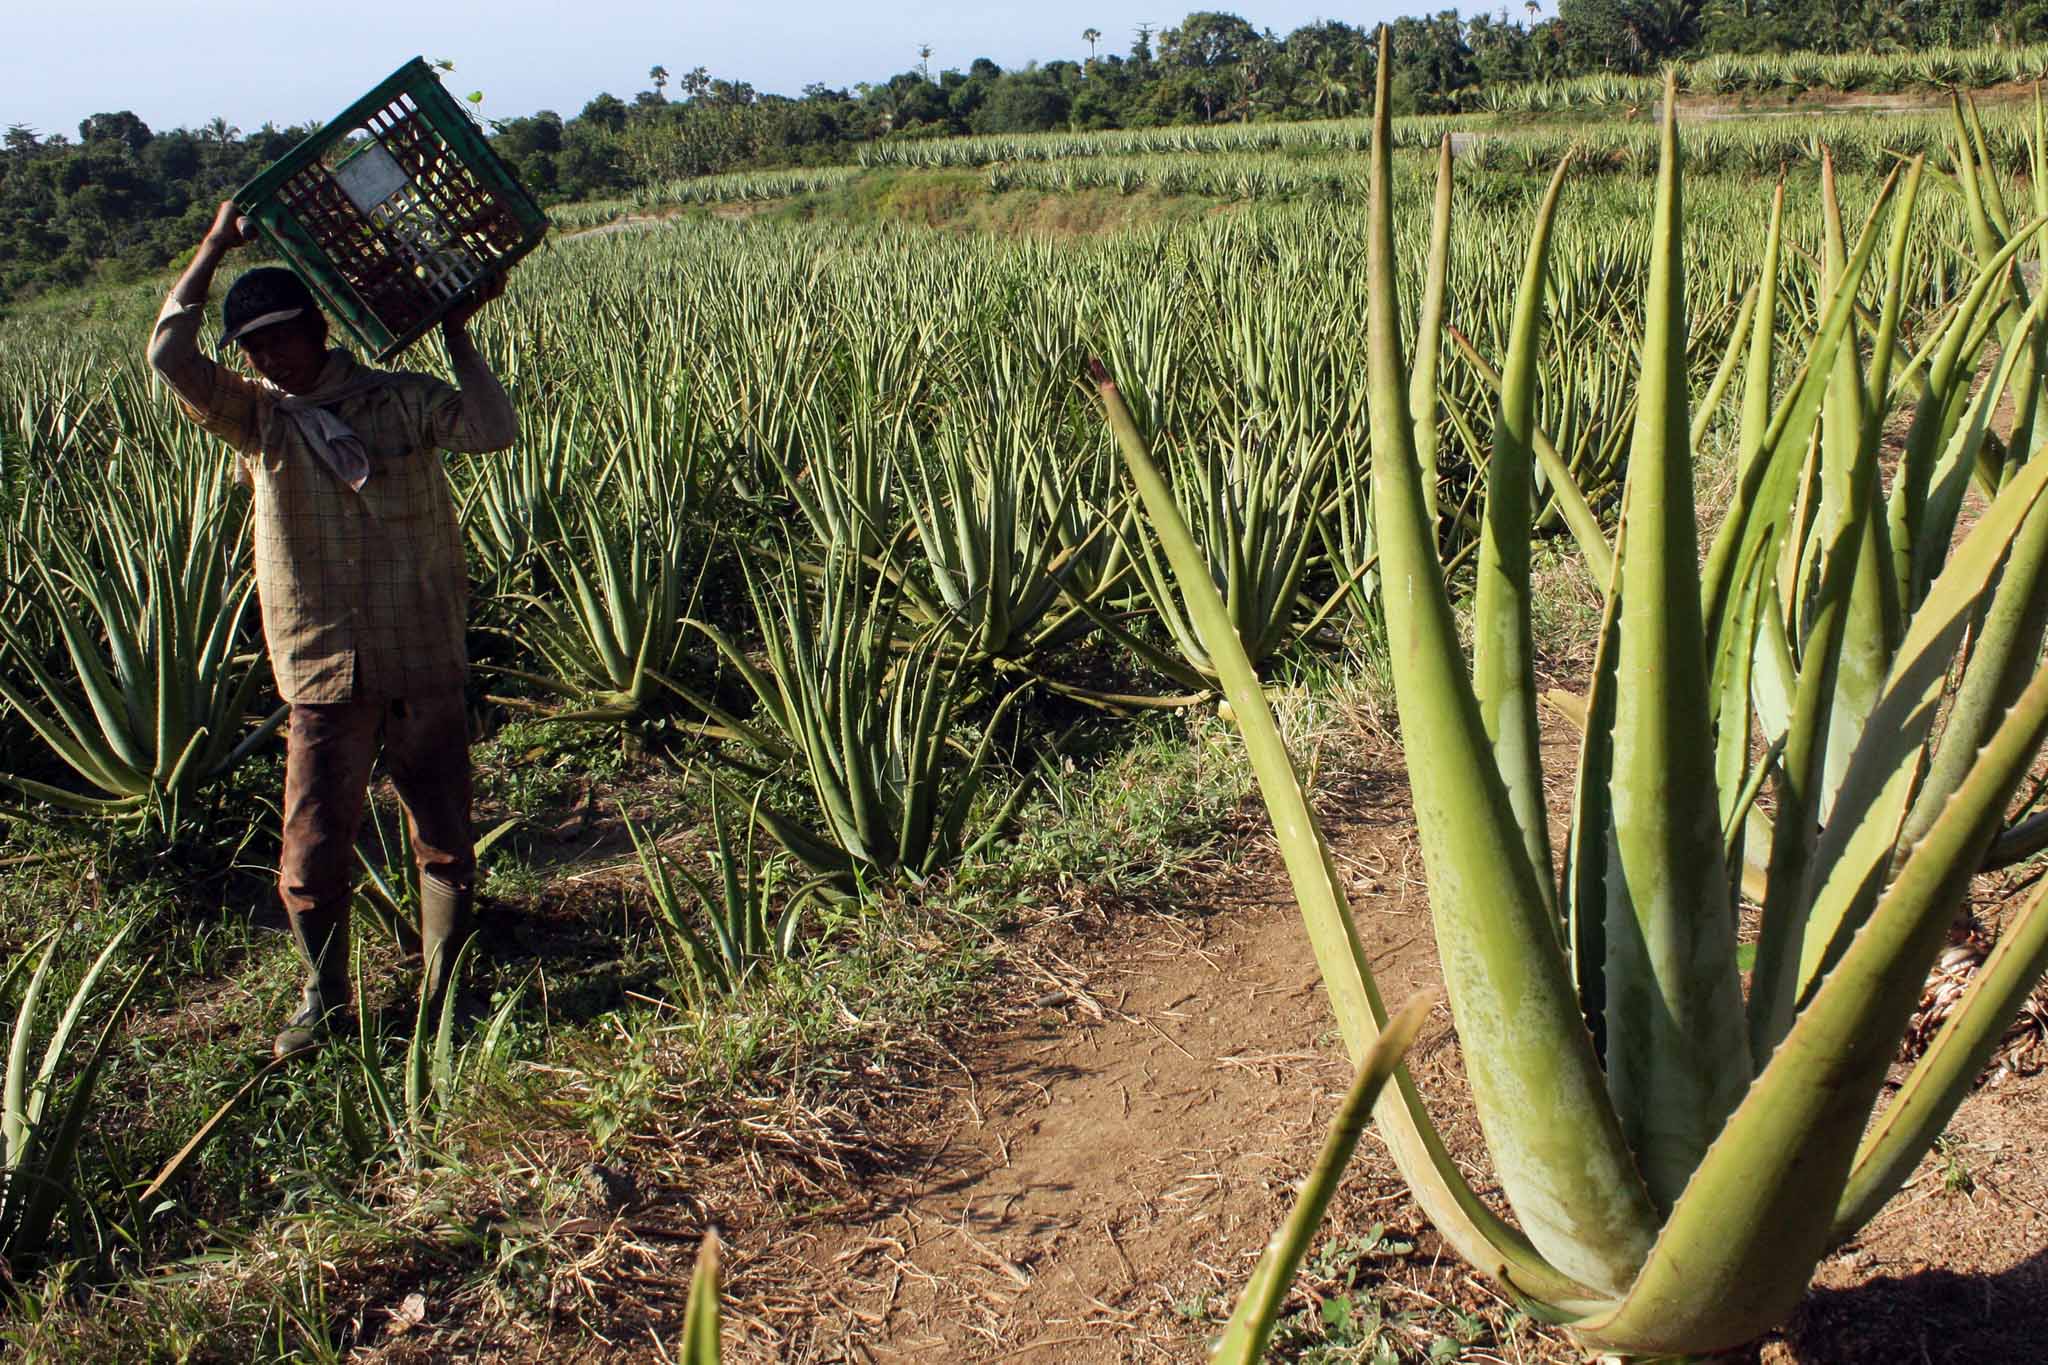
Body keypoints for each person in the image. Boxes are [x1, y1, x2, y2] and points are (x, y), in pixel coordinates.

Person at [148, 199, 519, 1060]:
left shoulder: (398, 401)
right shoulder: (260, 418)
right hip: (323, 667)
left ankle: (444, 986)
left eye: (282, 336)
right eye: (253, 347)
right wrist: (212, 244)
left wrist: (459, 334)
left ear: (320, 329)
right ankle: (325, 996)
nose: (269, 356)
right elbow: (169, 353)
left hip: (419, 650)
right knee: (314, 846)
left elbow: (494, 430)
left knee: (445, 829)